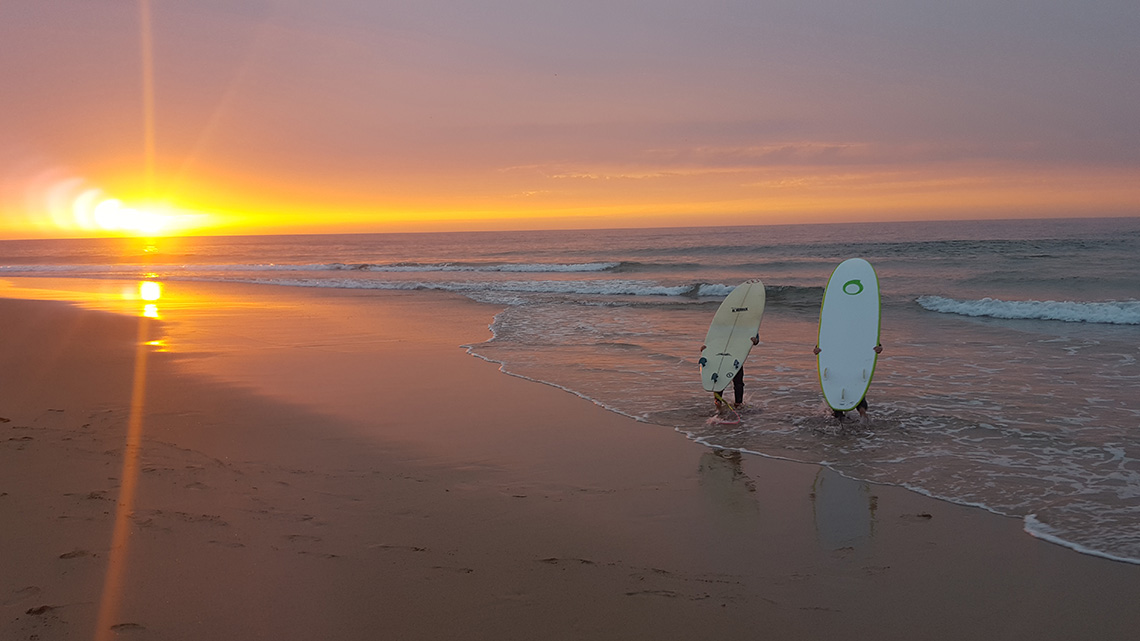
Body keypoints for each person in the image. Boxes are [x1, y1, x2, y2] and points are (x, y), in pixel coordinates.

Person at [813, 343, 883, 421]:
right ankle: (848, 417)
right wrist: (817, 350)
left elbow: (870, 340)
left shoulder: (859, 333)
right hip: (837, 365)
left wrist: (879, 348)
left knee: (855, 388)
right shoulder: (835, 333)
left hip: (854, 364)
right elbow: (825, 341)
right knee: (847, 390)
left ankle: (859, 414)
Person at [702, 333, 760, 411]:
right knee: (721, 378)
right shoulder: (724, 323)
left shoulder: (746, 322)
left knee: (735, 380)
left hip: (735, 354)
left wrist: (755, 341)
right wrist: (707, 348)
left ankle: (735, 403)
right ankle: (721, 402)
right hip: (723, 353)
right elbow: (714, 334)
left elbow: (752, 330)